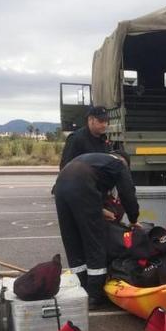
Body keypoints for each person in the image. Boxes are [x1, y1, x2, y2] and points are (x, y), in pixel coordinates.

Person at [55, 152, 140, 307]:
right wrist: (134, 219)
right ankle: (94, 295)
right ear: (125, 163)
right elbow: (128, 193)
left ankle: (80, 287)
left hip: (60, 184)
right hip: (81, 183)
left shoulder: (95, 160)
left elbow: (86, 193)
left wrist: (98, 209)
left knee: (73, 239)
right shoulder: (119, 165)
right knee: (94, 241)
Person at [60, 106, 110, 170]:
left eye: (106, 121)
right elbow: (66, 168)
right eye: (101, 121)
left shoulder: (103, 139)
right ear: (90, 120)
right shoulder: (76, 139)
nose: (104, 125)